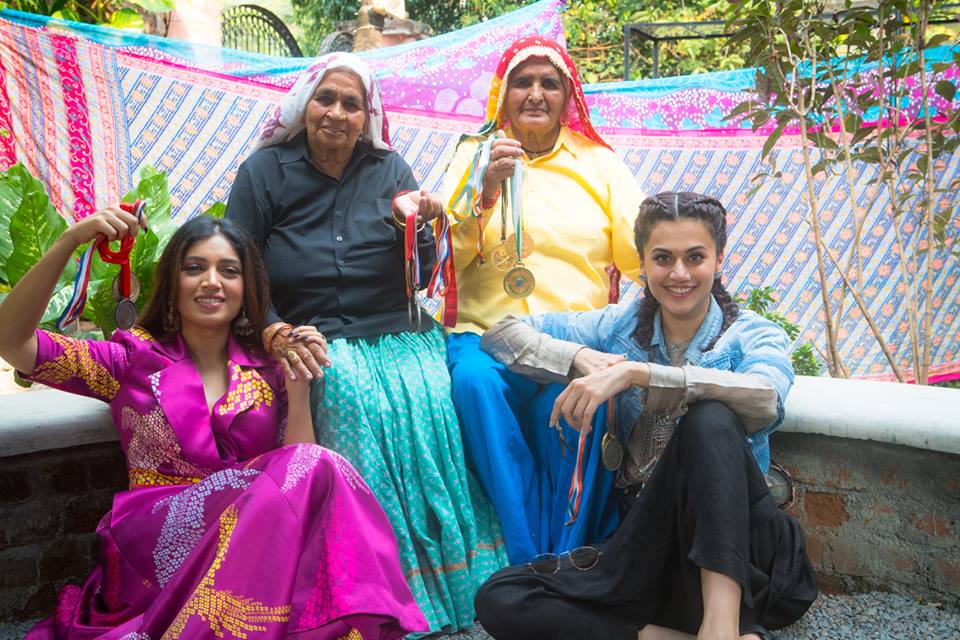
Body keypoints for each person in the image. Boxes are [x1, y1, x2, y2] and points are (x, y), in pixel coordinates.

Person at [0, 210, 428, 639]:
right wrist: (70, 241)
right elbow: (11, 342)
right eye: (195, 268)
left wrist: (297, 386)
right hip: (157, 540)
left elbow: (296, 469)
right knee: (317, 467)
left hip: (251, 540)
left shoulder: (266, 368)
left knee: (318, 468)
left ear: (246, 288)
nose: (211, 281)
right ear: (173, 284)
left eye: (228, 271)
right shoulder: (129, 360)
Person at [226, 52, 507, 632]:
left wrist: (422, 228)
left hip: (397, 330)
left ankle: (455, 581)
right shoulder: (265, 172)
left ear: (367, 116)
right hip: (312, 334)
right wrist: (272, 328)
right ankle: (376, 583)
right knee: (347, 390)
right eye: (326, 99)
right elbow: (237, 264)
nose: (336, 113)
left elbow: (421, 275)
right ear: (304, 107)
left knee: (433, 395)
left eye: (351, 104)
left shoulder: (389, 168)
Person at [473, 192, 817, 639]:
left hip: (744, 549)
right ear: (642, 264)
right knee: (502, 596)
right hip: (651, 540)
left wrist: (641, 374)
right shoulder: (618, 326)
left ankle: (721, 623)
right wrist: (580, 358)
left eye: (695, 257)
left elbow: (766, 397)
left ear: (719, 260)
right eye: (663, 258)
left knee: (709, 418)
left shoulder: (751, 334)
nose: (679, 273)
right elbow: (502, 332)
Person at [441, 35, 646, 563]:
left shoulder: (600, 164)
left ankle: (568, 560)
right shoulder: (474, 154)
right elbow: (446, 258)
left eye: (549, 83)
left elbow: (644, 256)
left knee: (584, 403)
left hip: (573, 340)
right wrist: (485, 191)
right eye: (523, 82)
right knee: (474, 384)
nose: (535, 94)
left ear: (567, 97)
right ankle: (528, 560)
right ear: (502, 94)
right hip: (485, 336)